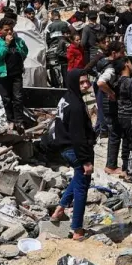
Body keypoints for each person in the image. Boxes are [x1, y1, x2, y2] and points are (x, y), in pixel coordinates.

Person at [50, 69, 96, 242]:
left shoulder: (67, 98)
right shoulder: (76, 106)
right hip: (75, 149)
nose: (86, 85)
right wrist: (85, 161)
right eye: (81, 82)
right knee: (82, 187)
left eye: (87, 81)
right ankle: (77, 229)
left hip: (65, 147)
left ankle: (60, 209)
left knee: (77, 179)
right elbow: (78, 135)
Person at [109, 58, 132, 179]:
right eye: (130, 62)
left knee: (126, 143)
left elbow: (128, 95)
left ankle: (125, 169)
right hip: (131, 117)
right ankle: (130, 173)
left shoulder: (119, 80)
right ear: (126, 64)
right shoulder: (129, 81)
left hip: (122, 117)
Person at [0, 18, 29, 131]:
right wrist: (6, 44)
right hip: (3, 74)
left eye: (11, 29)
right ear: (1, 30)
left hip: (16, 73)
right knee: (6, 99)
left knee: (18, 97)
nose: (9, 32)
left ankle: (19, 121)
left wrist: (20, 49)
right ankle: (10, 120)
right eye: (6, 30)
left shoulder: (18, 41)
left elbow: (24, 52)